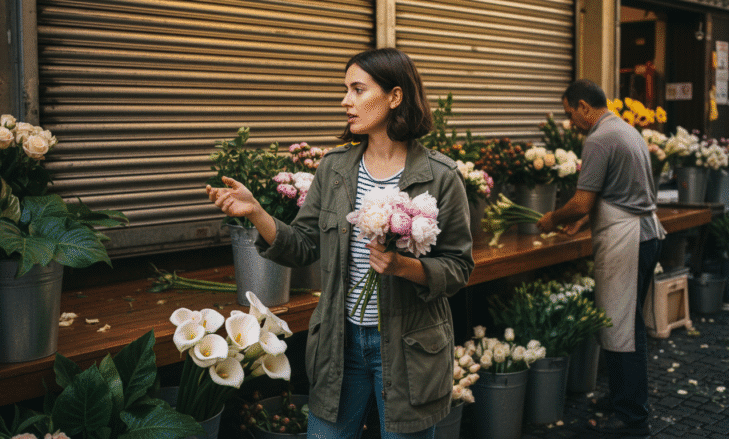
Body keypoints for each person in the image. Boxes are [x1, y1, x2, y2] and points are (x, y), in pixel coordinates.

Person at [207, 48, 474, 438]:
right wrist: (256, 213)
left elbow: (459, 268)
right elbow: (303, 245)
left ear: (394, 97)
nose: (345, 100)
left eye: (357, 89)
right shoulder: (335, 169)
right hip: (340, 342)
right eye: (345, 89)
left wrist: (403, 266)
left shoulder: (441, 176)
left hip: (408, 349)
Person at [536, 79, 665, 437]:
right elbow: (619, 191)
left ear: (583, 107)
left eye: (569, 113)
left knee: (624, 328)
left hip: (628, 239)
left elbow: (582, 200)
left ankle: (633, 416)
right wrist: (582, 221)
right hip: (645, 233)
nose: (570, 121)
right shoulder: (625, 130)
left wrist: (552, 218)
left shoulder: (599, 138)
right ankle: (621, 397)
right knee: (622, 322)